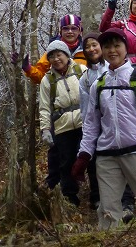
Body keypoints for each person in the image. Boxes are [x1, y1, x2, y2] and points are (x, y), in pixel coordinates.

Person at [71, 28, 136, 229]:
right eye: (107, 46)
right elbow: (91, 124)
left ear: (126, 48)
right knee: (108, 212)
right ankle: (108, 240)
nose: (112, 51)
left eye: (117, 46)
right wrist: (84, 156)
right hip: (107, 156)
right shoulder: (98, 85)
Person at [38, 40, 86, 206]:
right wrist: (45, 129)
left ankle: (96, 195)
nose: (56, 59)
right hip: (62, 127)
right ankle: (70, 196)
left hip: (84, 123)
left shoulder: (81, 70)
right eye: (52, 56)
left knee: (91, 159)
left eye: (59, 54)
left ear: (66, 55)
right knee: (66, 162)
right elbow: (44, 107)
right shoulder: (47, 80)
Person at [13, 14, 86, 84]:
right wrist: (28, 69)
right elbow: (42, 78)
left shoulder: (87, 51)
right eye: (66, 28)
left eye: (74, 28)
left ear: (79, 31)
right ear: (61, 31)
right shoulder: (52, 52)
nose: (70, 32)